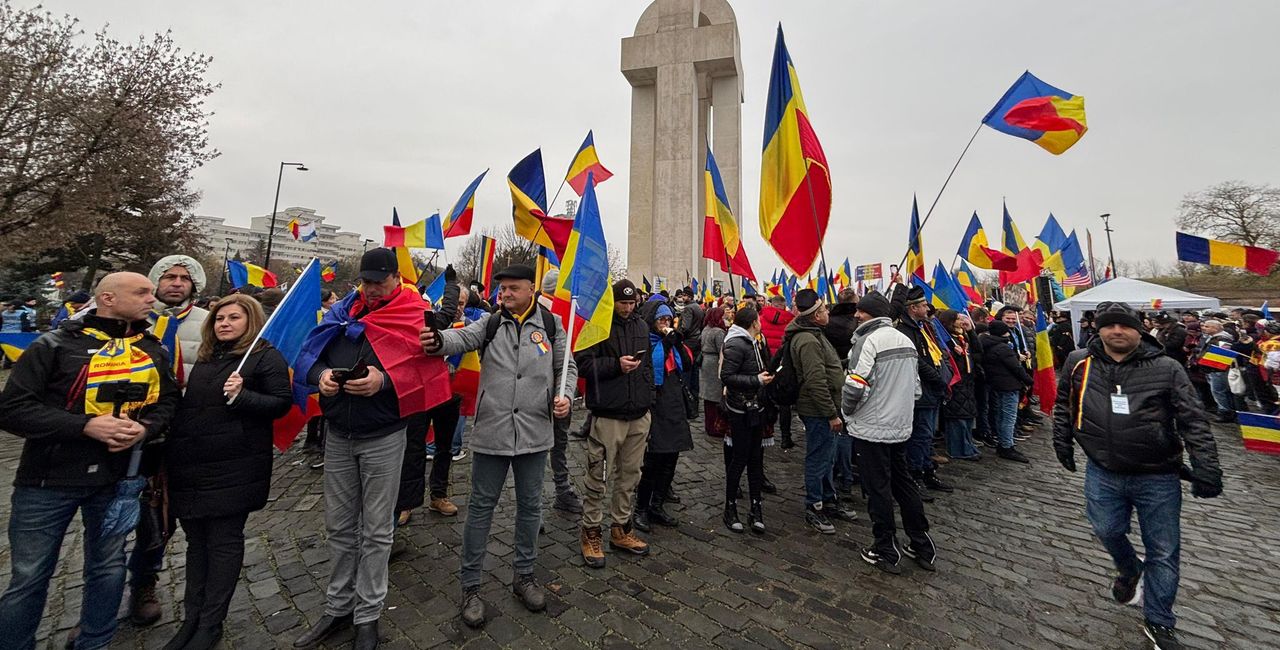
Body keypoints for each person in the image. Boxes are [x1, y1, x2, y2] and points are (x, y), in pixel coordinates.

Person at [0, 272, 180, 650]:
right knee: (29, 576)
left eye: (152, 292)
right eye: (142, 292)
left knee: (109, 566)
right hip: (47, 481)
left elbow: (168, 401)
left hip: (117, 481)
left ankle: (95, 641)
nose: (153, 297)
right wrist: (85, 426)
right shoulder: (54, 345)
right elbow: (13, 409)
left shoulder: (152, 349)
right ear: (108, 298)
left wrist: (145, 428)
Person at [293, 248, 453, 650]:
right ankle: (337, 607)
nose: (372, 289)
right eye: (366, 281)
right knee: (340, 527)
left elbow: (426, 369)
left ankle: (368, 615)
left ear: (397, 279)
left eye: (379, 282)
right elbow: (310, 357)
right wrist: (322, 376)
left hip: (384, 435)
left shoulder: (416, 316)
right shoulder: (342, 312)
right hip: (339, 434)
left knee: (378, 531)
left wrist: (383, 381)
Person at [1053, 302, 1221, 650]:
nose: (1117, 331)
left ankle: (1159, 621)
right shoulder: (1078, 362)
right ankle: (1130, 569)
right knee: (1107, 530)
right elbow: (1063, 403)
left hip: (1157, 475)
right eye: (1109, 325)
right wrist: (1062, 442)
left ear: (1140, 329)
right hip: (1103, 470)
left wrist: (1206, 466)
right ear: (1098, 329)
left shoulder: (1167, 367)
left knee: (1163, 550)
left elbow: (1193, 420)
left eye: (1125, 326)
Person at [419, 263, 574, 629]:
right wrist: (439, 342)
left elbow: (567, 368)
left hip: (535, 433)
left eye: (512, 289)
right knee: (480, 509)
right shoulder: (490, 322)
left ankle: (524, 576)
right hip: (492, 432)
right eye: (501, 288)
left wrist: (567, 395)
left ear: (531, 289)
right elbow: (462, 338)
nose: (504, 294)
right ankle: (471, 586)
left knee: (530, 506)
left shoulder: (551, 325)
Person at [162, 295, 292, 650]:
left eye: (234, 317)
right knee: (196, 544)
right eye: (220, 318)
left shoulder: (264, 357)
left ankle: (210, 622)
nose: (224, 323)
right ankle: (191, 618)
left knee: (222, 544)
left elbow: (281, 403)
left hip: (235, 466)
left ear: (251, 320)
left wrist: (243, 396)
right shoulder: (205, 358)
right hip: (193, 464)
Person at [121, 255, 212, 627]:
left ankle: (145, 582)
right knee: (117, 517)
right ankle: (106, 593)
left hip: (183, 433)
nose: (176, 283)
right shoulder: (131, 322)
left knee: (159, 519)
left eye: (184, 279)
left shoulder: (209, 323)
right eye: (169, 277)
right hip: (133, 434)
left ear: (195, 286)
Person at [840, 291, 935, 574]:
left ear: (871, 314)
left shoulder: (867, 341)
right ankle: (921, 543)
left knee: (878, 488)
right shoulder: (904, 339)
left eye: (860, 311)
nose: (856, 315)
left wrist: (848, 412)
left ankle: (885, 548)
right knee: (904, 484)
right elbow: (916, 387)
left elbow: (855, 386)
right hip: (900, 425)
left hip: (872, 428)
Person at [574, 279, 653, 568]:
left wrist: (648, 400)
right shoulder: (597, 326)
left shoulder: (641, 325)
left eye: (632, 303)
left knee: (630, 475)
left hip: (638, 414)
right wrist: (615, 366)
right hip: (608, 414)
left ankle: (621, 528)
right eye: (623, 302)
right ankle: (590, 531)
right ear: (613, 301)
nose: (628, 308)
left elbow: (647, 368)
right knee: (598, 477)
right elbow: (582, 364)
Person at [396, 266, 462, 526]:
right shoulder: (400, 322)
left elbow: (446, 313)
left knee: (444, 447)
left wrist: (453, 286)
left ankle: (439, 494)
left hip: (448, 392)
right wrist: (452, 284)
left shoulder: (450, 319)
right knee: (413, 448)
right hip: (417, 393)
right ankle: (406, 503)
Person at [788, 289, 858, 533]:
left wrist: (844, 366)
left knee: (828, 458)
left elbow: (827, 366)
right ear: (816, 315)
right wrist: (831, 414)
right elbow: (815, 380)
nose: (828, 312)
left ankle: (829, 499)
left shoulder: (816, 334)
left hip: (826, 406)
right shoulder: (807, 340)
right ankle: (814, 506)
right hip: (818, 410)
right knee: (818, 459)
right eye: (824, 310)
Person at [632, 301, 695, 532]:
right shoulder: (646, 342)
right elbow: (647, 368)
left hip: (674, 402)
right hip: (655, 402)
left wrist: (676, 344)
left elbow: (687, 365)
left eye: (669, 320)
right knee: (653, 460)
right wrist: (666, 347)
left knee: (671, 457)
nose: (666, 324)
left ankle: (657, 504)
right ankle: (641, 508)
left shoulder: (672, 341)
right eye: (661, 320)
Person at [894, 286, 954, 496]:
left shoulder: (922, 326)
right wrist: (937, 378)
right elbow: (917, 360)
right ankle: (915, 475)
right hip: (921, 390)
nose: (927, 308)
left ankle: (927, 470)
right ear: (912, 308)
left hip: (932, 389)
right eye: (922, 305)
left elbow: (936, 351)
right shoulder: (904, 330)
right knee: (919, 435)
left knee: (927, 435)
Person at [720, 307, 774, 533]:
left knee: (756, 459)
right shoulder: (736, 343)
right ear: (753, 322)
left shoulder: (755, 341)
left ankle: (756, 506)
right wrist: (756, 380)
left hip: (756, 407)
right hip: (741, 408)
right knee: (740, 458)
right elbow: (727, 377)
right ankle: (730, 507)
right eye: (759, 320)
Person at [537, 269, 583, 514]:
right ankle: (534, 507)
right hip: (536, 396)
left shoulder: (568, 313)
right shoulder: (539, 316)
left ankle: (562, 491)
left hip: (561, 393)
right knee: (534, 451)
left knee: (560, 444)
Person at [979, 320, 1033, 463]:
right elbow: (1016, 368)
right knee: (1008, 417)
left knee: (1002, 415)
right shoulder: (1002, 348)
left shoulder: (987, 343)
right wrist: (1029, 380)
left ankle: (1004, 442)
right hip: (1008, 385)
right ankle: (1006, 446)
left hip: (997, 384)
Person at [938, 310, 980, 461]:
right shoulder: (946, 340)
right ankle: (958, 449)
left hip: (967, 381)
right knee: (957, 418)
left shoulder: (963, 338)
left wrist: (971, 331)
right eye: (958, 319)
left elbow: (978, 353)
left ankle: (967, 445)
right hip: (955, 383)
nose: (961, 321)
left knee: (967, 416)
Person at [759, 294, 796, 448]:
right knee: (784, 402)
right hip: (783, 365)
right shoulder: (791, 321)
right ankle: (786, 436)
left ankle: (764, 431)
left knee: (764, 398)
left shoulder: (760, 319)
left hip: (766, 363)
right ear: (783, 305)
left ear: (771, 304)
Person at [700, 304, 733, 439]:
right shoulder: (718, 332)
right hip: (714, 362)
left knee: (708, 396)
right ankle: (714, 426)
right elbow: (722, 349)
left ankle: (709, 425)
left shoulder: (706, 329)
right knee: (714, 396)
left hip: (706, 360)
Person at [1193, 319, 1236, 421]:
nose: (1204, 328)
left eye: (1207, 326)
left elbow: (1224, 355)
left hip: (1217, 370)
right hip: (1211, 369)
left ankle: (1225, 412)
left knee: (1219, 391)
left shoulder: (1222, 339)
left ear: (1215, 328)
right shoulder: (1212, 338)